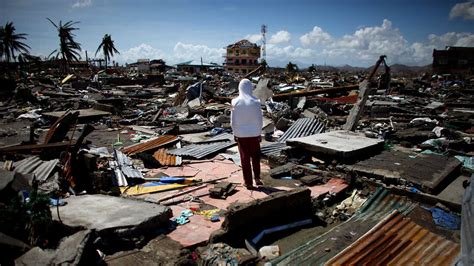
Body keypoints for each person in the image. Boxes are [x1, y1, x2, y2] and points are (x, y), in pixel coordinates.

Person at [231, 78, 263, 189]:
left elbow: (233, 120)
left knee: (245, 158)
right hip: (254, 134)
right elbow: (260, 119)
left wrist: (235, 133)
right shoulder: (256, 101)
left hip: (241, 135)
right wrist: (259, 133)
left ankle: (248, 182)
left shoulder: (235, 102)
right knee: (255, 157)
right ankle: (257, 178)